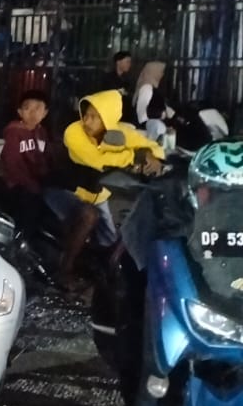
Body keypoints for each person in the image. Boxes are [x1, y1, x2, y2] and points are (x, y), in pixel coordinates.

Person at [44, 88, 165, 284]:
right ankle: (64, 269)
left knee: (108, 242)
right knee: (88, 215)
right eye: (86, 115)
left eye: (94, 117)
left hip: (98, 194)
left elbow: (152, 146)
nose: (87, 121)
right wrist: (133, 156)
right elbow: (96, 160)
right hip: (63, 190)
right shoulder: (73, 132)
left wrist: (153, 157)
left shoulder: (119, 133)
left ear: (107, 118)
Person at [0, 90, 51, 226]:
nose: (33, 113)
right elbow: (12, 163)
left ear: (45, 113)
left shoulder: (42, 132)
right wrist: (32, 185)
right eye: (27, 108)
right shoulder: (14, 133)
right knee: (31, 210)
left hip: (38, 181)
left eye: (38, 108)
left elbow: (46, 158)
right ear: (20, 112)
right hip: (18, 184)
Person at [133, 61, 173, 142]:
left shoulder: (151, 87)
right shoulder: (146, 88)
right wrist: (161, 114)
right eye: (160, 72)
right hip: (149, 127)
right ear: (153, 72)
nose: (162, 74)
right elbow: (142, 111)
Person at [104, 51, 136, 124]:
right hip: (110, 113)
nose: (129, 64)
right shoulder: (107, 78)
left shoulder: (130, 79)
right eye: (127, 62)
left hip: (126, 115)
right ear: (118, 62)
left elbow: (131, 95)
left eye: (130, 62)